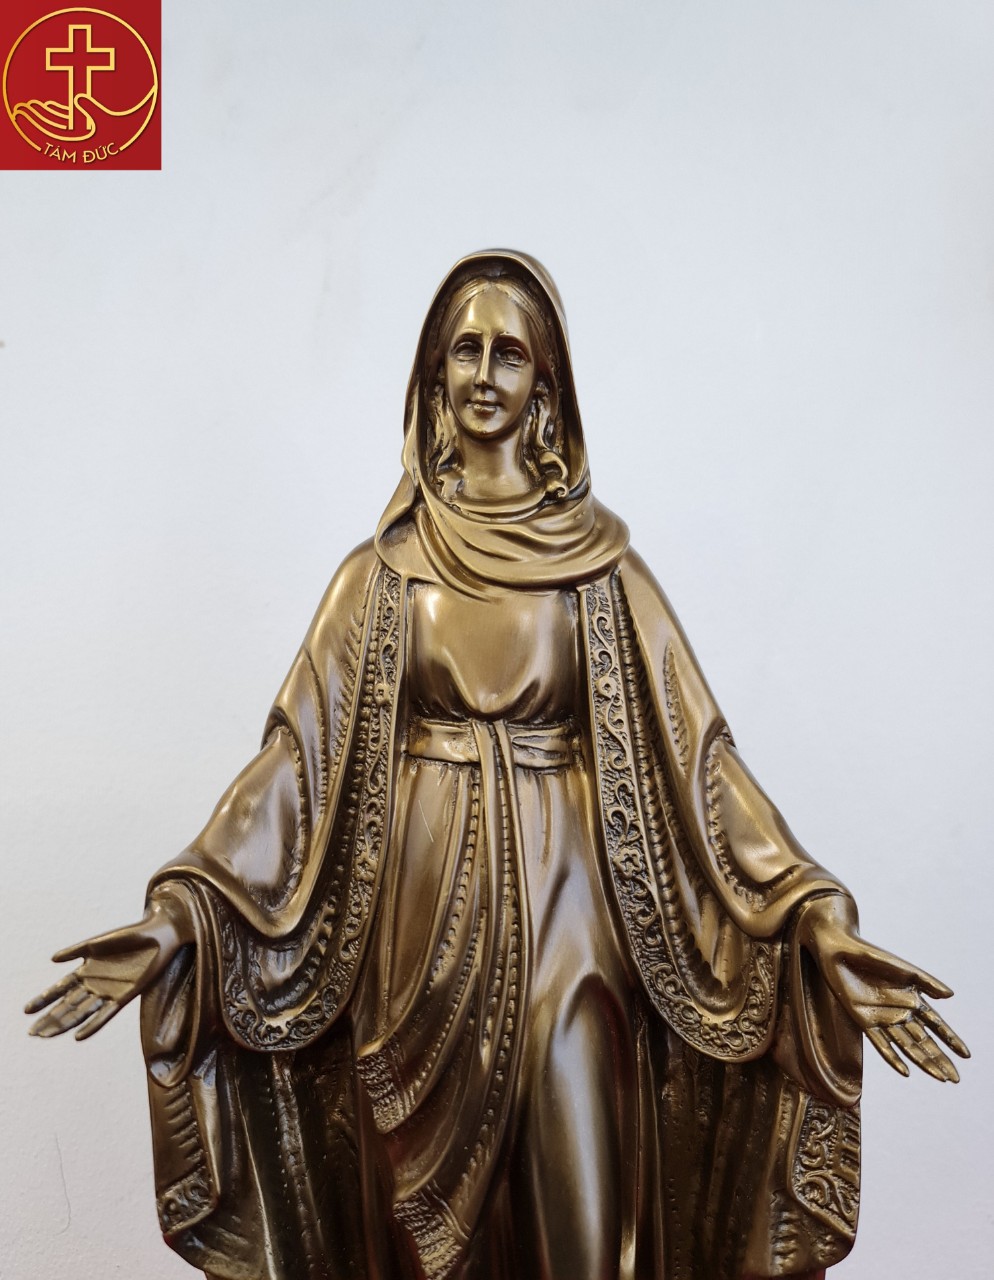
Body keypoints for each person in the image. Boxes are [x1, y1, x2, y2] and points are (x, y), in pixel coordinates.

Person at [26, 251, 968, 1280]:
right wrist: (182, 915)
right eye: (463, 351)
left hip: (576, 930)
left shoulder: (602, 574)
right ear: (433, 378)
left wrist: (812, 916)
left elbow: (704, 772)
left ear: (545, 386)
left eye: (508, 353)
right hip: (414, 938)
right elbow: (292, 771)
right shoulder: (382, 576)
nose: (484, 373)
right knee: (416, 1242)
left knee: (585, 1207)